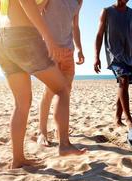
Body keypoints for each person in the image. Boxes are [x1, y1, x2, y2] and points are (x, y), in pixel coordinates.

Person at [0, 0, 86, 168]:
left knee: (21, 103)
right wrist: (48, 39)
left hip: (1, 38)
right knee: (61, 89)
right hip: (23, 35)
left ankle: (18, 159)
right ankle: (64, 144)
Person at [37, 0, 85, 146]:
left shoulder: (79, 0)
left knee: (65, 92)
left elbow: (75, 26)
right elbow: (36, 13)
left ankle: (60, 131)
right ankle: (42, 132)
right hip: (50, 50)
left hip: (68, 52)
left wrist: (79, 48)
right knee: (50, 91)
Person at [94, 0, 132, 130]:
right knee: (123, 79)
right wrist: (96, 56)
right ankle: (128, 119)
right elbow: (99, 35)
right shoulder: (107, 12)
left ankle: (117, 119)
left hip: (129, 55)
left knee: (124, 85)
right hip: (114, 54)